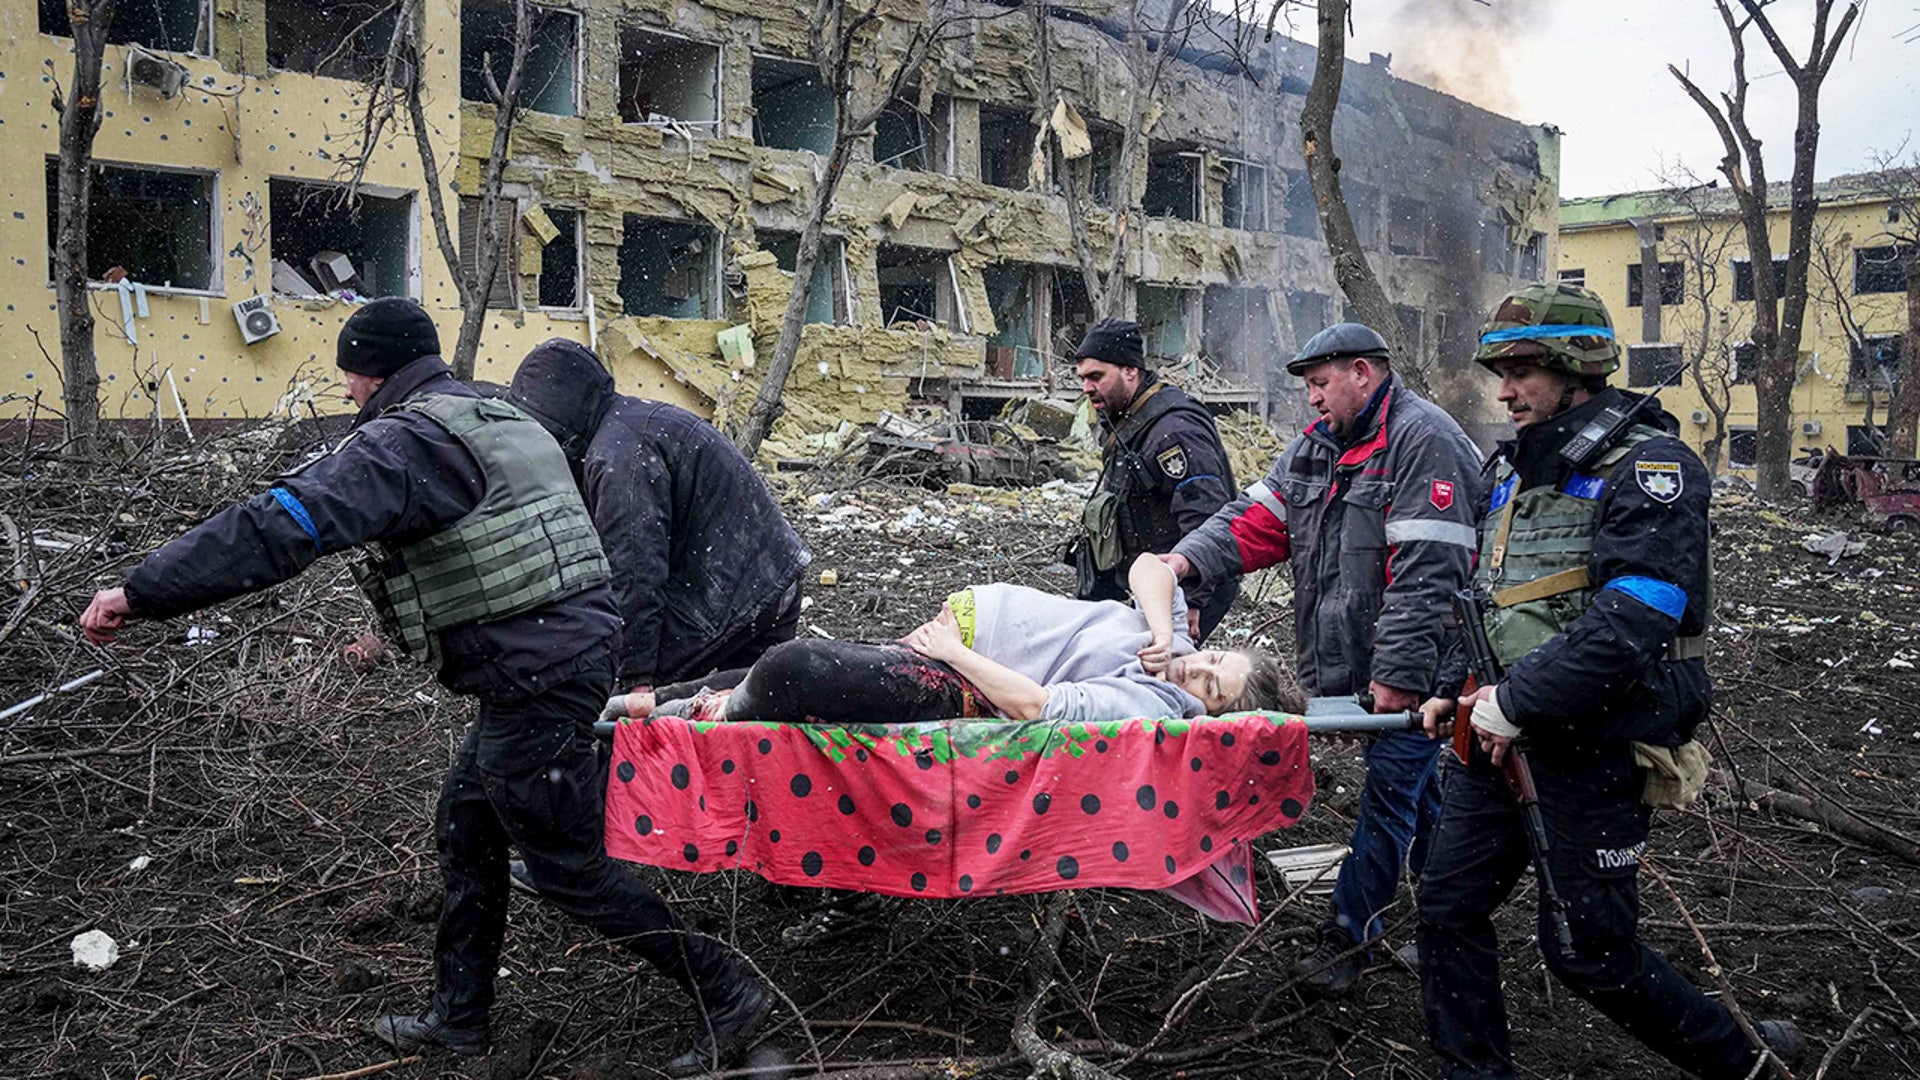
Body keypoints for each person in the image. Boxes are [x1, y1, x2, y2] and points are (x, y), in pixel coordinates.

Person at [78, 301, 769, 1077]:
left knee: (566, 865)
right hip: (557, 658)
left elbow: (280, 526)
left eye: (348, 374)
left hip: (538, 673)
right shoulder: (491, 410)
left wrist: (141, 592)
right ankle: (458, 1020)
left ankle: (727, 988)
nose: (345, 392)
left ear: (372, 371)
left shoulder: (404, 442)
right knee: (467, 825)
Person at [1414, 283, 1804, 1079]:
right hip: (1494, 740)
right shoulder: (1516, 470)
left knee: (1590, 954)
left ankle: (1749, 1065)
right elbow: (1494, 597)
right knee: (1446, 909)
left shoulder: (1651, 466)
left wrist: (1515, 704)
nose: (1505, 389)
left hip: (1590, 743)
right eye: (1500, 371)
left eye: (1522, 369)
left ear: (1576, 367)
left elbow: (1640, 612)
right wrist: (1455, 688)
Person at [1162, 322, 1481, 993]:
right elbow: (1253, 521)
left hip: (1421, 668)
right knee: (1416, 793)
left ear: (1363, 373)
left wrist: (1396, 675)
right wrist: (1186, 561)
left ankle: (1348, 936)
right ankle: (1448, 914)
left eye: (1319, 384)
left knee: (1391, 795)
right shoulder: (1316, 449)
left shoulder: (1425, 442)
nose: (1310, 399)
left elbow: (1430, 573)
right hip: (1355, 664)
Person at [623, 555, 1298, 726]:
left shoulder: (1153, 708)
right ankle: (635, 702)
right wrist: (1162, 630)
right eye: (1212, 660)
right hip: (958, 640)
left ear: (1209, 716)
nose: (1195, 673)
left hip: (964, 679)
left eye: (1210, 688)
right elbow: (1151, 567)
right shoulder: (1170, 646)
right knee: (772, 670)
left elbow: (1036, 706)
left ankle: (680, 716)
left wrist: (954, 653)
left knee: (788, 669)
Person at [508, 338, 810, 696]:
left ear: (559, 427)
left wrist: (634, 679)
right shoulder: (628, 425)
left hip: (737, 593)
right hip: (769, 577)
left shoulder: (618, 456)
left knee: (619, 700)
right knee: (742, 716)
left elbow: (635, 571)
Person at [1070, 317, 1238, 643]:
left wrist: (1191, 599)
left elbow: (1206, 518)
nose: (1086, 388)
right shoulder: (1130, 419)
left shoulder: (1173, 430)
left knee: (1162, 675)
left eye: (1096, 377)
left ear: (1131, 370)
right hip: (1150, 582)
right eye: (1083, 378)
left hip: (1182, 584)